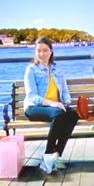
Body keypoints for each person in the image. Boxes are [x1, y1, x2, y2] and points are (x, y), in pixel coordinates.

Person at [23, 36, 79, 174]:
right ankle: (48, 154)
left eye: (45, 50)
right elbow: (31, 96)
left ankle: (56, 155)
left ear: (51, 51)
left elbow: (64, 90)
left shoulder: (56, 69)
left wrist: (66, 103)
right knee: (59, 114)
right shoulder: (31, 69)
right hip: (34, 107)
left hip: (53, 108)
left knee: (73, 115)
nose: (42, 54)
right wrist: (53, 103)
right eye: (39, 51)